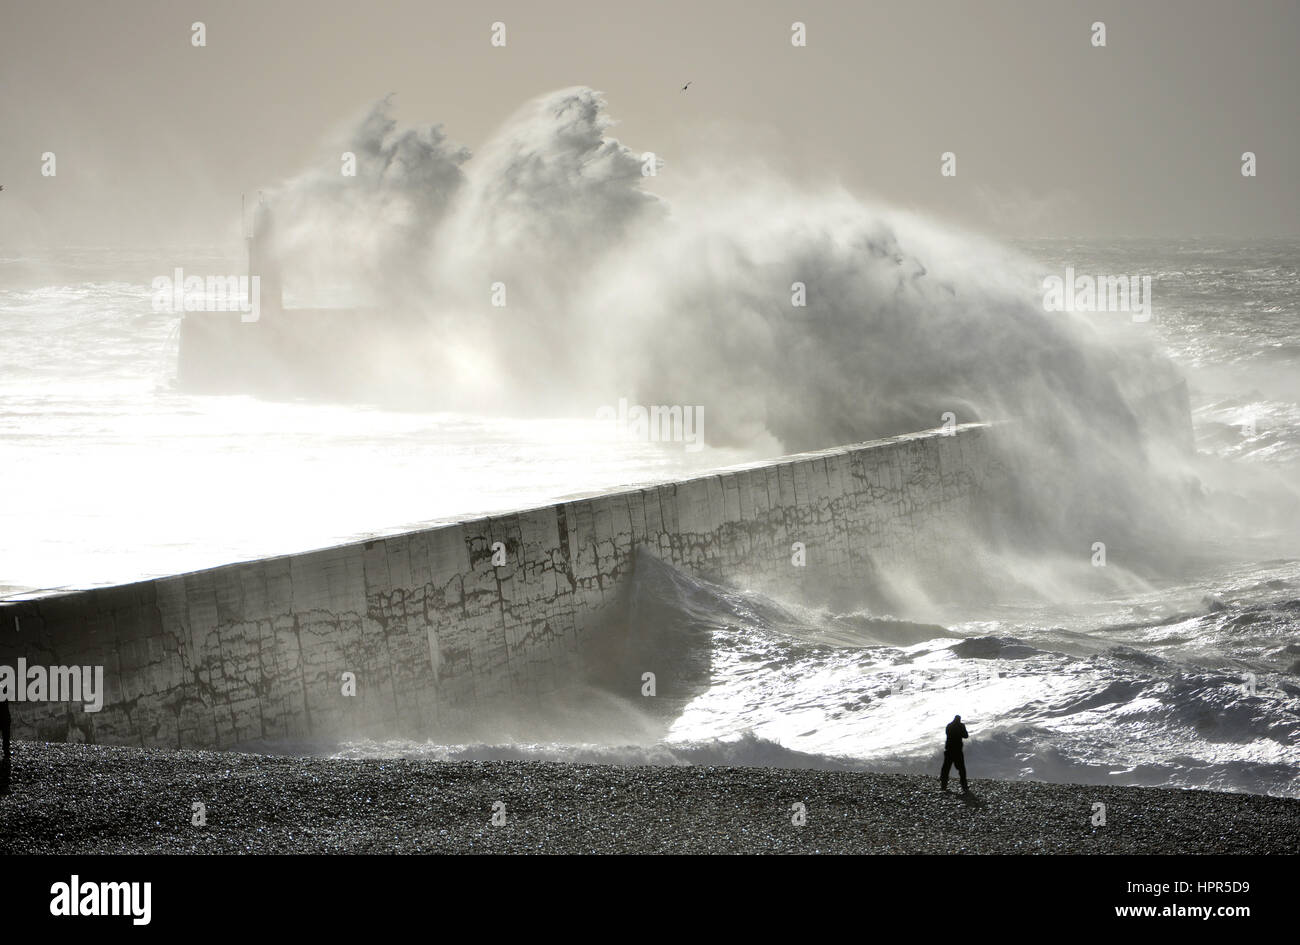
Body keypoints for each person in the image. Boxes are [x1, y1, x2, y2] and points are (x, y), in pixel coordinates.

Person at [940, 714, 969, 793]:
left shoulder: (949, 725)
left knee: (946, 768)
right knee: (961, 769)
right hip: (957, 751)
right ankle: (964, 786)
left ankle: (943, 786)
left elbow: (947, 734)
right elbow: (966, 736)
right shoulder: (961, 726)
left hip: (949, 750)